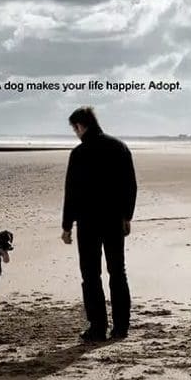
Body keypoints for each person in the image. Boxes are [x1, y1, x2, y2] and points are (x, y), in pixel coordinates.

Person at [61, 106, 136, 342]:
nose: (75, 132)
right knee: (118, 273)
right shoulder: (119, 147)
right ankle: (121, 327)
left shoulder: (79, 153)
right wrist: (127, 216)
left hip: (88, 223)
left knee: (91, 276)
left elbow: (71, 192)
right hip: (114, 220)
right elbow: (130, 186)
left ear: (81, 126)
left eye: (75, 128)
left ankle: (98, 328)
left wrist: (66, 225)